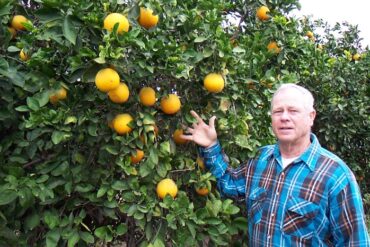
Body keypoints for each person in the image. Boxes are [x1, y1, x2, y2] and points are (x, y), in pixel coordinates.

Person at [181, 83, 370, 246]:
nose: (284, 117)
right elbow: (228, 184)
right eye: (278, 111)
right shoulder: (260, 160)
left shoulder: (336, 176)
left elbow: (355, 241)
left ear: (311, 116)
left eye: (293, 111)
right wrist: (211, 146)